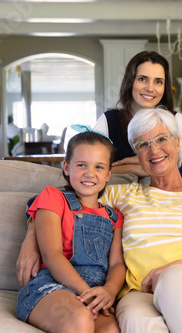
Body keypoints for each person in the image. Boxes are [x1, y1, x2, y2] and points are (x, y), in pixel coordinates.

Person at [18, 108, 182, 333]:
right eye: (143, 145)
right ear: (137, 153)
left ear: (177, 143)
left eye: (161, 139)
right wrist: (31, 236)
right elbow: (62, 200)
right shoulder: (124, 195)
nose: (153, 150)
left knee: (174, 280)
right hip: (141, 291)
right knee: (134, 318)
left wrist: (177, 267)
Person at [15, 126, 126, 333]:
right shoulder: (53, 198)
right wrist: (86, 292)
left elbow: (118, 263)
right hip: (50, 288)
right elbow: (51, 255)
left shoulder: (115, 217)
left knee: (112, 329)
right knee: (81, 318)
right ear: (66, 167)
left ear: (109, 174)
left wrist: (109, 290)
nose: (90, 173)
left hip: (93, 292)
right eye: (81, 165)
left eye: (99, 167)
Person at [94, 50, 182, 179]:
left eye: (158, 82)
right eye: (142, 79)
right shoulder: (109, 120)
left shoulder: (175, 119)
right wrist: (132, 168)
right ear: (130, 82)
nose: (150, 88)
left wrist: (141, 167)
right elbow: (92, 168)